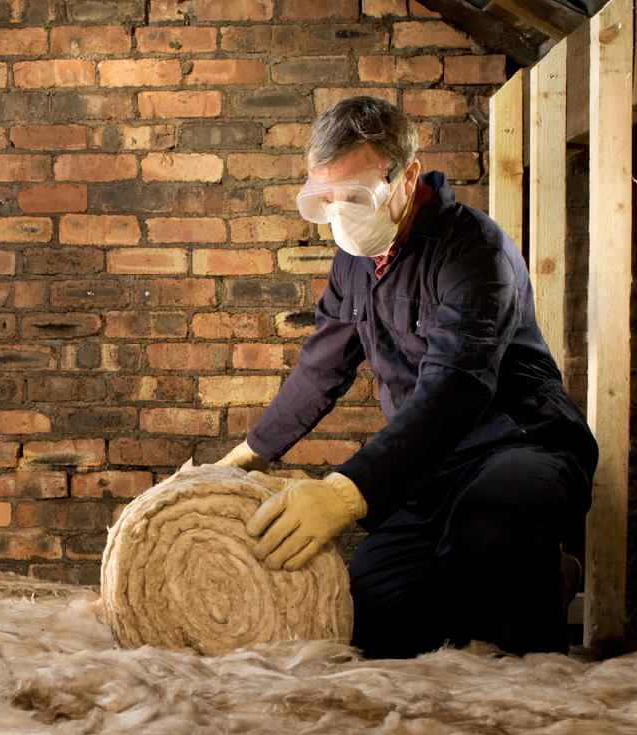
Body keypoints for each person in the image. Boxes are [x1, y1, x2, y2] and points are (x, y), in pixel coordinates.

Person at [215, 96, 598, 659]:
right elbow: (322, 366)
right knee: (375, 618)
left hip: (519, 444)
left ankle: (541, 588)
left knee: (487, 535)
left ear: (407, 176)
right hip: (426, 468)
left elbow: (455, 388)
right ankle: (492, 584)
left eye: (357, 196)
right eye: (326, 200)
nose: (341, 215)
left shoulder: (474, 251)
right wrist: (248, 455)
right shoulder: (353, 260)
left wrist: (344, 493)